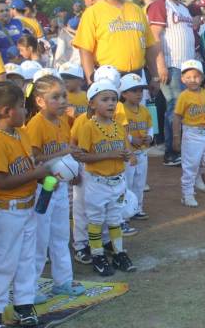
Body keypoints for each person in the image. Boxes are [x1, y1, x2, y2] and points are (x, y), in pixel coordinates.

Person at [0, 82, 50, 327]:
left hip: (28, 207)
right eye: (21, 106)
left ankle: (23, 304)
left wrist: (45, 176)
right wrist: (36, 174)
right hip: (6, 212)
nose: (26, 111)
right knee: (3, 262)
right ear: (7, 111)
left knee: (26, 260)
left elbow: (29, 168)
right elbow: (1, 181)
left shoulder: (21, 133)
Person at [24, 75, 85, 304]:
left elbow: (64, 152)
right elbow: (33, 157)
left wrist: (73, 165)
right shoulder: (36, 124)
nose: (62, 101)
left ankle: (63, 282)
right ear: (40, 101)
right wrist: (64, 154)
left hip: (58, 185)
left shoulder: (61, 122)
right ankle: (29, 288)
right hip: (43, 186)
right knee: (40, 238)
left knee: (61, 235)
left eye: (64, 96)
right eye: (55, 97)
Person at [74, 79, 136, 275]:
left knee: (115, 219)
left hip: (117, 181)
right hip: (97, 182)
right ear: (92, 103)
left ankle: (118, 253)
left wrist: (128, 155)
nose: (111, 103)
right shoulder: (88, 126)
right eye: (105, 99)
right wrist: (109, 155)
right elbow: (81, 155)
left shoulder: (118, 125)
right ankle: (98, 255)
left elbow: (126, 149)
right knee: (95, 220)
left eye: (113, 99)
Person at [73, 0, 161, 93]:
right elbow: (85, 50)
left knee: (137, 112)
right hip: (107, 78)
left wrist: (155, 76)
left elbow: (149, 46)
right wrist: (91, 81)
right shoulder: (92, 13)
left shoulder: (136, 10)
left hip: (137, 76)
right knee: (113, 112)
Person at [147, 0, 196, 167]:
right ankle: (171, 152)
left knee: (182, 108)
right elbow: (154, 37)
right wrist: (160, 66)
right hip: (171, 65)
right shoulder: (159, 5)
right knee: (174, 107)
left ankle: (179, 148)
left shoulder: (183, 7)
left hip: (186, 67)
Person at [173, 60, 205, 207]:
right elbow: (177, 117)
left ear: (202, 77)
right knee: (190, 166)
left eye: (196, 76)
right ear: (182, 79)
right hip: (191, 133)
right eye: (188, 77)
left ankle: (199, 175)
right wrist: (176, 137)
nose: (192, 80)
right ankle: (187, 194)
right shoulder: (183, 96)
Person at [119, 74, 152, 220]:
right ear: (124, 93)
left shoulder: (144, 110)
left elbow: (150, 126)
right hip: (128, 154)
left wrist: (150, 137)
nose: (139, 94)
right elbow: (120, 131)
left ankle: (137, 208)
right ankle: (125, 212)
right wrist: (132, 138)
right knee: (127, 182)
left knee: (140, 183)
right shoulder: (121, 110)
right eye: (134, 90)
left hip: (142, 152)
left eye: (141, 90)